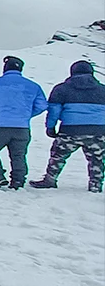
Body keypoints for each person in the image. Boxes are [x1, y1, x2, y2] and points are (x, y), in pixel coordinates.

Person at [31, 60, 105, 193]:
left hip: (70, 130)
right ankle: (95, 184)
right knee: (97, 158)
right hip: (97, 131)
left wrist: (50, 127)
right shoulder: (102, 89)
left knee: (58, 156)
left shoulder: (61, 89)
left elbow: (54, 110)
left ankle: (50, 179)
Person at [0, 55, 48, 190]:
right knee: (18, 154)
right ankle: (18, 180)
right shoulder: (33, 86)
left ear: (5, 68)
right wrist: (27, 115)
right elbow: (42, 105)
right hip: (21, 126)